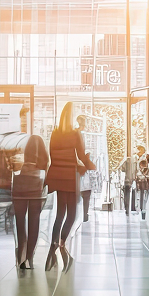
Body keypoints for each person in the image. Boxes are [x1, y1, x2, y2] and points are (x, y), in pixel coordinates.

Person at [45, 102, 93, 273]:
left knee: (60, 214)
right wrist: (88, 163)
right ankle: (61, 246)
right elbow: (81, 155)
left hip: (58, 177)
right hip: (71, 178)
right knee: (72, 215)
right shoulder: (75, 134)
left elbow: (52, 155)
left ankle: (52, 251)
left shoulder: (55, 133)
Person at [12, 134, 49, 271]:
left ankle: (20, 254)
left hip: (19, 192)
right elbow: (46, 175)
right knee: (34, 223)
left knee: (20, 223)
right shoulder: (43, 165)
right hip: (36, 192)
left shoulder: (21, 160)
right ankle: (29, 257)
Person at [76, 115, 97, 221]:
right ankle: (83, 214)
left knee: (85, 192)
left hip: (82, 167)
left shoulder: (80, 134)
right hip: (81, 167)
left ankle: (84, 214)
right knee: (85, 192)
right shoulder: (77, 134)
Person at [136, 144, 149, 217]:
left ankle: (143, 209)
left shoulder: (143, 159)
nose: (137, 152)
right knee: (143, 195)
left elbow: (143, 169)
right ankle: (142, 209)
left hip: (144, 180)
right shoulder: (140, 158)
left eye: (139, 150)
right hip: (142, 179)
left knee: (144, 195)